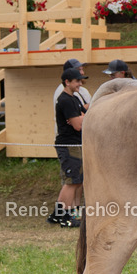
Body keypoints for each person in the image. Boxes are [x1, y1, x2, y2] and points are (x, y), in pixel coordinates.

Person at [48, 59, 91, 226]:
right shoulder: (65, 99)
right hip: (68, 145)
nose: (80, 83)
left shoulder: (74, 98)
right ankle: (64, 217)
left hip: (74, 144)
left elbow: (82, 114)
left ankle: (57, 215)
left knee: (76, 180)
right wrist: (83, 118)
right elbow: (78, 125)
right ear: (67, 82)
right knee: (72, 181)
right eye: (77, 81)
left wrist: (82, 116)